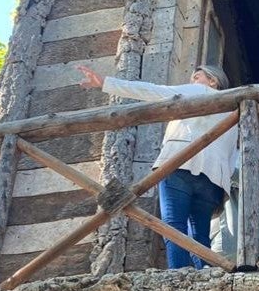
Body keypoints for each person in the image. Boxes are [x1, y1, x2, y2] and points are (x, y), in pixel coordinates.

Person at [76, 64, 237, 269]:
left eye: (197, 77)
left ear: (213, 81)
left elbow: (156, 91)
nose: (191, 82)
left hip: (180, 166)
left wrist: (106, 83)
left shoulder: (199, 91)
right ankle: (204, 274)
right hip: (213, 180)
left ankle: (178, 274)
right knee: (199, 234)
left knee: (173, 226)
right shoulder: (232, 112)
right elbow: (233, 155)